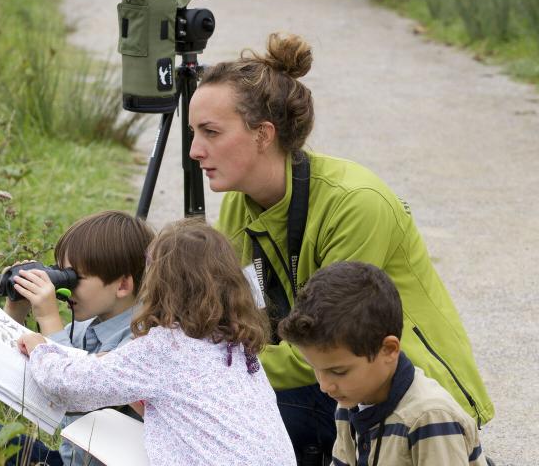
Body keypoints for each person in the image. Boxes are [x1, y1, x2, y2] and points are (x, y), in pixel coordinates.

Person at [188, 32, 493, 462]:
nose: (195, 150)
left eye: (211, 132)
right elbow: (240, 317)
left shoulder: (355, 203)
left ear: (263, 134)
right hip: (330, 378)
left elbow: (337, 338)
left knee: (235, 424)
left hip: (408, 397)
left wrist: (213, 375)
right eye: (193, 132)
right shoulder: (240, 204)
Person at [17, 219, 297, 466]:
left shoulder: (164, 347)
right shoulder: (237, 347)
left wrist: (42, 347)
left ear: (157, 285)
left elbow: (67, 386)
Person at [0, 210, 154, 466]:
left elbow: (73, 389)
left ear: (122, 286)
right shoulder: (87, 324)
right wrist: (16, 310)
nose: (66, 287)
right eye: (62, 274)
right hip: (70, 460)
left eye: (77, 278)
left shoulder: (144, 338)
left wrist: (50, 321)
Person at [278, 261, 488, 465]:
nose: (325, 386)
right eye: (316, 369)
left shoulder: (429, 418)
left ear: (388, 349)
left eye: (339, 371)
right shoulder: (350, 401)